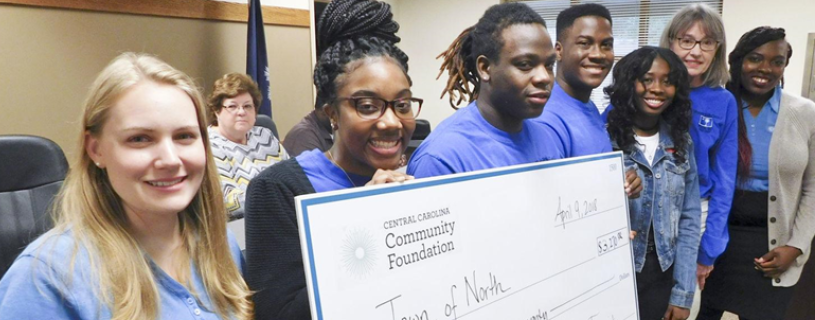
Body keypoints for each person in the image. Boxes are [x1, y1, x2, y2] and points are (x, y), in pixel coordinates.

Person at [0, 53, 252, 320]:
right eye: (140, 139)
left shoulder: (218, 244)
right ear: (96, 149)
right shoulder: (45, 281)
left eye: (185, 136)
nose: (170, 159)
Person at [244, 0, 417, 319]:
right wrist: (366, 216)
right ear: (332, 114)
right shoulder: (278, 190)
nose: (392, 122)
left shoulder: (413, 182)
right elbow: (279, 314)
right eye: (367, 105)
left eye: (403, 105)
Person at [698, 27, 815, 320]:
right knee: (704, 312)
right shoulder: (719, 106)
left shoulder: (807, 115)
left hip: (774, 245)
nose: (765, 69)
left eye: (777, 61)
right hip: (716, 237)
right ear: (738, 61)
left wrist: (796, 246)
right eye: (755, 58)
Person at [406, 2, 564, 178]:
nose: (544, 77)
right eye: (525, 65)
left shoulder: (547, 138)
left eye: (549, 65)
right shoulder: (442, 158)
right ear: (485, 68)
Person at [605, 46, 701, 320]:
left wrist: (683, 295)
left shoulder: (682, 144)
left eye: (668, 81)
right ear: (629, 83)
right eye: (647, 79)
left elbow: (690, 220)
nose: (657, 88)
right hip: (615, 271)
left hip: (662, 271)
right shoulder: (604, 141)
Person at [659, 4, 739, 296]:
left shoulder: (724, 102)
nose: (696, 51)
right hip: (645, 208)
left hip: (697, 214)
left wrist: (711, 248)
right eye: (686, 40)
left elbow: (725, 178)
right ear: (671, 42)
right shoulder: (644, 88)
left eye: (707, 42)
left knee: (682, 305)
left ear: (717, 49)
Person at [534, 3, 642, 197]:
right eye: (584, 43)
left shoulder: (588, 106)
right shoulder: (545, 116)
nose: (598, 54)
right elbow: (554, 205)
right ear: (558, 50)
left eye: (606, 45)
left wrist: (622, 181)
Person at [207, 72, 288, 220]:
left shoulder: (265, 136)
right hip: (239, 226)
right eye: (232, 106)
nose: (241, 112)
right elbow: (227, 203)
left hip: (280, 216)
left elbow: (291, 176)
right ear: (216, 111)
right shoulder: (209, 146)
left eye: (247, 106)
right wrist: (275, 194)